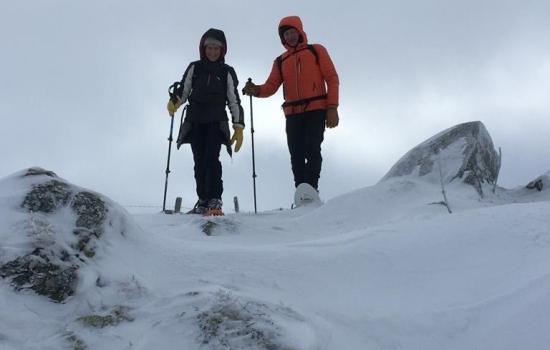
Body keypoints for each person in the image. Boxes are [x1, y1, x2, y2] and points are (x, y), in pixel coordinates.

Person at [243, 15, 339, 195]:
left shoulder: (316, 50)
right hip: (292, 113)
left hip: (316, 109)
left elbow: (332, 78)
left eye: (292, 32)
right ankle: (301, 193)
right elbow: (271, 86)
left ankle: (311, 190)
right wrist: (256, 90)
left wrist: (332, 107)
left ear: (300, 31)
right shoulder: (280, 61)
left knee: (312, 149)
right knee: (296, 154)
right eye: (286, 34)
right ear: (282, 38)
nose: (290, 36)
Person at [167, 28, 245, 216]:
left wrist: (238, 126)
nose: (212, 51)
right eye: (209, 47)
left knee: (212, 159)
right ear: (203, 48)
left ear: (222, 50)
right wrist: (174, 102)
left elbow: (233, 100)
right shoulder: (195, 67)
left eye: (216, 48)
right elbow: (184, 90)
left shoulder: (226, 72)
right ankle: (203, 200)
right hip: (194, 121)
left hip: (216, 122)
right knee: (199, 161)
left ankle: (215, 200)